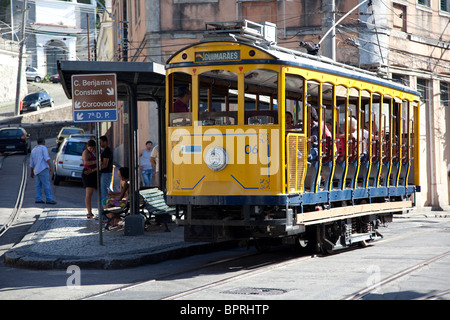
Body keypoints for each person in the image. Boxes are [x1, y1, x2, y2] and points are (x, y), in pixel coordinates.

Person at [30, 138, 56, 205]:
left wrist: (31, 172)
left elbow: (31, 163)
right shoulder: (43, 148)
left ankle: (38, 198)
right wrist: (50, 167)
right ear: (43, 142)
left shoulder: (33, 150)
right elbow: (46, 158)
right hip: (43, 168)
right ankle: (49, 199)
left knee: (38, 185)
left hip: (36, 170)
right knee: (46, 184)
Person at [82, 139, 97, 219]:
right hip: (88, 173)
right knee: (89, 194)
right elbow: (86, 162)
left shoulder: (93, 152)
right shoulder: (85, 152)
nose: (91, 149)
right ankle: (89, 212)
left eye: (92, 148)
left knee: (91, 194)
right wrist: (96, 162)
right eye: (90, 148)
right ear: (87, 147)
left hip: (93, 172)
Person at [99, 135, 113, 209]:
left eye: (101, 142)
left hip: (106, 173)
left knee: (104, 193)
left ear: (105, 142)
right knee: (103, 192)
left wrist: (94, 169)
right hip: (105, 173)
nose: (100, 144)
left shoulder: (107, 151)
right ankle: (103, 211)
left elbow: (105, 165)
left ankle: (105, 212)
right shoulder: (105, 150)